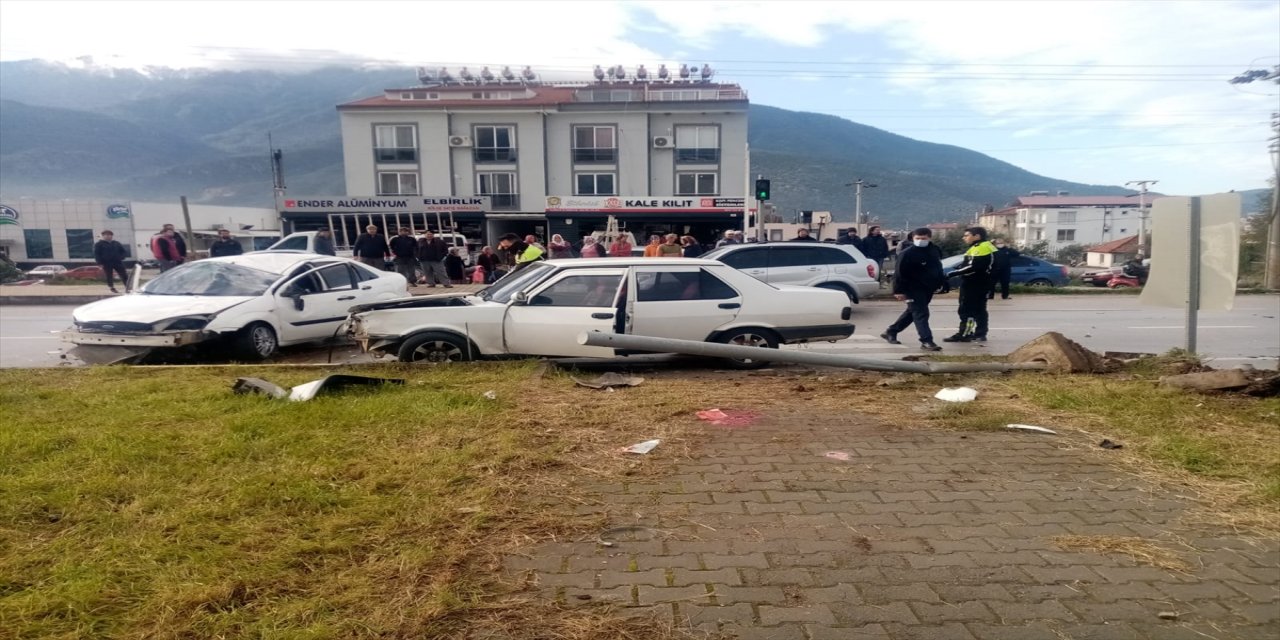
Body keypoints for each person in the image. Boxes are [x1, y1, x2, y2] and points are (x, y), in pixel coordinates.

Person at [880, 228, 947, 351]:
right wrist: (898, 291)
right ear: (913, 238)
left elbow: (938, 267)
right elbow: (899, 274)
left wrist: (942, 283)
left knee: (913, 312)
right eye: (918, 238)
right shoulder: (907, 253)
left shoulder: (934, 250)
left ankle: (891, 331)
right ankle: (926, 341)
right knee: (921, 313)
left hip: (927, 287)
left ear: (929, 238)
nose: (921, 241)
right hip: (912, 288)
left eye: (924, 238)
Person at [944, 226, 997, 343]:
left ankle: (965, 333)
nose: (964, 238)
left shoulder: (980, 248)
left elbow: (973, 267)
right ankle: (980, 333)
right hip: (983, 283)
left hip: (973, 283)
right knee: (980, 309)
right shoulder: (987, 246)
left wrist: (951, 273)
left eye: (967, 235)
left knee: (966, 309)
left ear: (977, 236)